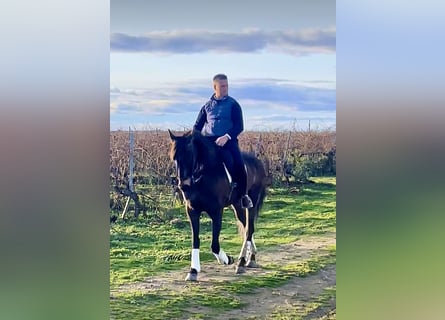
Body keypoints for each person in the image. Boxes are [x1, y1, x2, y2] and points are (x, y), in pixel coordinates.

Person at [193, 73, 254, 209]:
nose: (225, 88)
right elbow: (197, 127)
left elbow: (239, 126)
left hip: (228, 141)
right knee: (191, 159)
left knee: (238, 163)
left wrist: (226, 136)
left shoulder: (233, 105)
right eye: (222, 86)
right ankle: (189, 188)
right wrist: (195, 139)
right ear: (215, 87)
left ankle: (243, 195)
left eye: (227, 85)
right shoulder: (206, 106)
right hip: (209, 142)